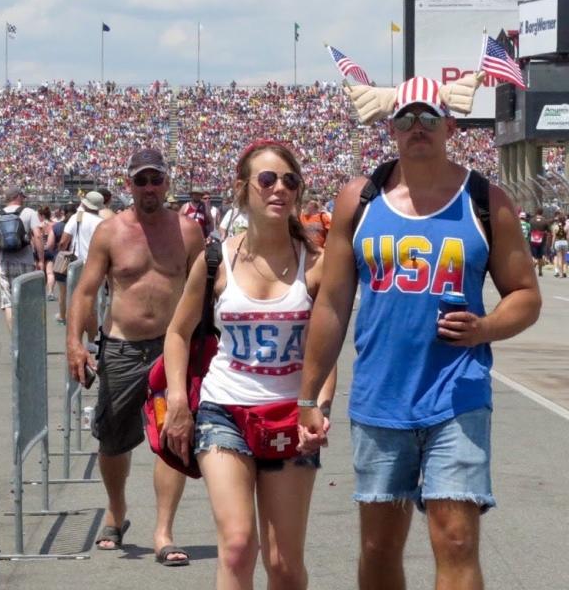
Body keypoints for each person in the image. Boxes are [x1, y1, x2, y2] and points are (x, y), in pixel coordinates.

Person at [297, 77, 541, 590]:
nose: (417, 129)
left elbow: (525, 295)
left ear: (450, 125)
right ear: (391, 128)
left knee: (455, 539)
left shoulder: (483, 199)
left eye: (429, 118)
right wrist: (309, 395)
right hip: (379, 398)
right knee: (379, 546)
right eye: (406, 119)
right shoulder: (358, 200)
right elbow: (333, 304)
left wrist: (485, 328)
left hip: (458, 395)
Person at [163, 140, 333, 587]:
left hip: (290, 415)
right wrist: (179, 400)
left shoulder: (316, 264)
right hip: (224, 411)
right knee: (238, 546)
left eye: (290, 181)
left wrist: (319, 405)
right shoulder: (216, 259)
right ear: (243, 189)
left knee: (283, 563)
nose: (280, 189)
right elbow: (178, 333)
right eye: (267, 179)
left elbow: (326, 346)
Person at [67, 148, 204, 565]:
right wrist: (75, 342)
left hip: (172, 346)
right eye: (141, 180)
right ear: (129, 184)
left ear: (167, 182)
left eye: (155, 180)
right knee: (113, 439)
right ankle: (117, 509)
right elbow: (87, 290)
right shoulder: (111, 233)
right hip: (122, 346)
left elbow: (207, 288)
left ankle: (164, 531)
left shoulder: (187, 232)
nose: (149, 188)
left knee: (173, 437)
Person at [0, 188, 44, 327]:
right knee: (28, 299)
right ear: (18, 196)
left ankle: (15, 341)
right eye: (22, 197)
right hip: (26, 261)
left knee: (8, 303)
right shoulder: (29, 212)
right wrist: (41, 259)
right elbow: (37, 235)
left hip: (5, 262)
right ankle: (28, 336)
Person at [59, 191, 105, 336]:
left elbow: (63, 241)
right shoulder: (101, 222)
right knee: (96, 304)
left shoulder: (77, 217)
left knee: (78, 302)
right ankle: (94, 339)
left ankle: (77, 336)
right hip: (98, 266)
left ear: (84, 203)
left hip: (78, 265)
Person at [528, 208, 549, 277]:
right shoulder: (545, 221)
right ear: (542, 212)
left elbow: (529, 230)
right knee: (540, 256)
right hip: (542, 240)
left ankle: (535, 261)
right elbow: (548, 230)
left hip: (533, 240)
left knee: (533, 255)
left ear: (536, 212)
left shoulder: (531, 220)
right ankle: (540, 271)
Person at [551, 210, 567, 278]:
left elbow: (554, 237)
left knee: (559, 258)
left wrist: (552, 245)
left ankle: (560, 273)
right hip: (565, 242)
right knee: (564, 258)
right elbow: (568, 236)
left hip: (558, 242)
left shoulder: (555, 226)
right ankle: (563, 272)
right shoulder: (566, 226)